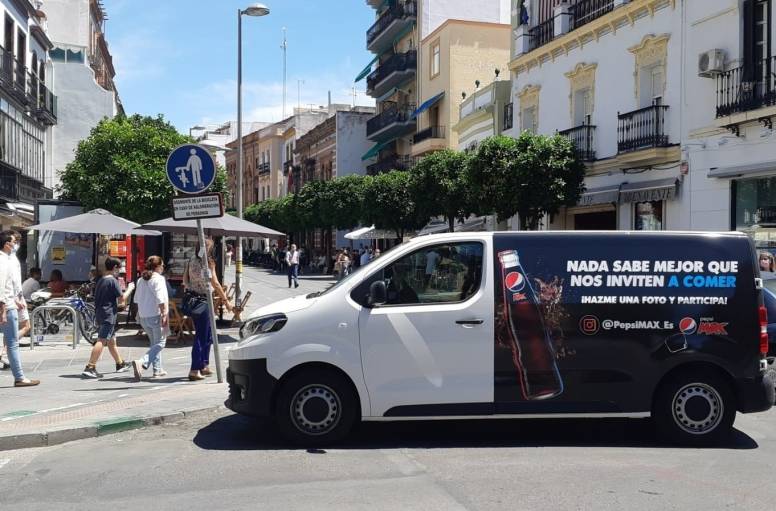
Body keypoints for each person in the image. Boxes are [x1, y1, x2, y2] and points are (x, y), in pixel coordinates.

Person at [183, 238, 233, 381]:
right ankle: (194, 369)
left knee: (208, 333)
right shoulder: (209, 263)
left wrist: (193, 288)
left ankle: (204, 365)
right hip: (205, 301)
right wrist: (226, 301)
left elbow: (184, 280)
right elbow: (216, 283)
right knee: (201, 335)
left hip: (194, 301)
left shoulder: (191, 260)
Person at [81, 258, 134, 379]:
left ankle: (120, 364)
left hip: (100, 313)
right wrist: (130, 289)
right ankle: (90, 366)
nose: (119, 271)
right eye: (119, 268)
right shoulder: (113, 281)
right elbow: (121, 299)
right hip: (108, 314)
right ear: (115, 267)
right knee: (102, 340)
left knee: (111, 341)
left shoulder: (101, 280)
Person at [0, 230, 39, 386]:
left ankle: (20, 377)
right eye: (13, 242)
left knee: (11, 341)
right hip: (7, 306)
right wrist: (3, 308)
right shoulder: (4, 261)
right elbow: (1, 286)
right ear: (6, 244)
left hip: (10, 303)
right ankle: (20, 377)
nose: (16, 244)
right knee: (12, 343)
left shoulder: (7, 259)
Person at [131, 256, 169, 380]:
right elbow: (160, 298)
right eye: (162, 265)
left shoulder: (141, 280)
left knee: (154, 343)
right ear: (157, 266)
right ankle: (142, 361)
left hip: (143, 316)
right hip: (155, 315)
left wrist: (138, 314)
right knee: (160, 343)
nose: (163, 267)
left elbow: (136, 299)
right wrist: (164, 313)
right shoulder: (158, 279)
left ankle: (157, 369)